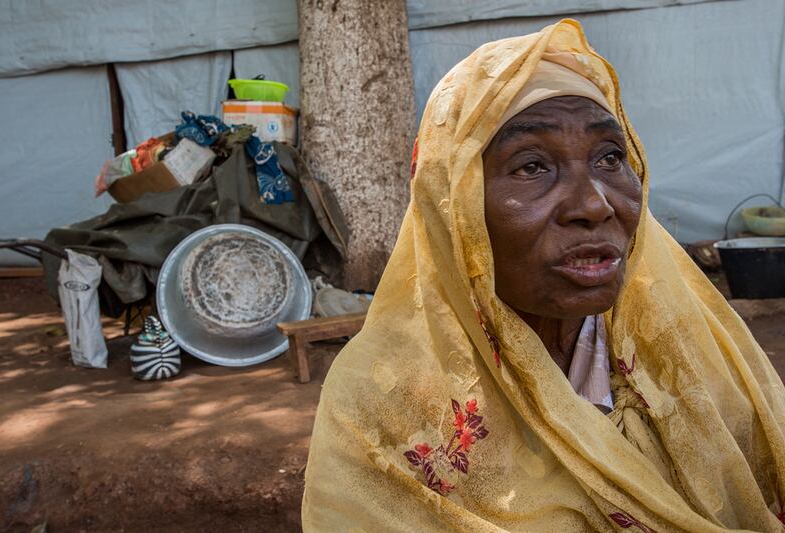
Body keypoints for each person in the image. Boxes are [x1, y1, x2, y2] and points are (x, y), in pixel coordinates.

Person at [302, 19, 785, 532]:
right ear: (454, 210)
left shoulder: (691, 354)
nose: (595, 205)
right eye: (532, 166)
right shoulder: (383, 403)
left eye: (609, 158)